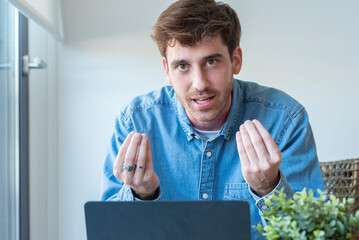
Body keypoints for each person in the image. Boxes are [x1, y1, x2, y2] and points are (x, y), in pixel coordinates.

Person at [101, 0, 324, 238]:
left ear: (235, 60)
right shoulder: (135, 122)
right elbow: (108, 232)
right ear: (167, 70)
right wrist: (141, 196)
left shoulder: (285, 121)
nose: (200, 84)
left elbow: (313, 233)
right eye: (183, 66)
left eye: (211, 62)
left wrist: (269, 188)